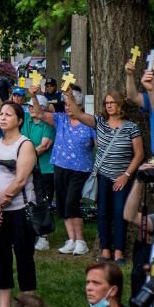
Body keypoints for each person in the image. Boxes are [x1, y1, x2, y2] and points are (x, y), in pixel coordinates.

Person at [68, 88, 143, 264]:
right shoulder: (100, 122)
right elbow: (78, 114)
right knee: (102, 214)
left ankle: (119, 252)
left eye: (113, 103)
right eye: (107, 103)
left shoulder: (131, 127)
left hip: (122, 179)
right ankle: (106, 250)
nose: (109, 106)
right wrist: (68, 95)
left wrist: (126, 175)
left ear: (120, 105)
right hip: (103, 177)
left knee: (119, 214)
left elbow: (139, 154)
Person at [0, 100, 39, 307]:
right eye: (1, 114)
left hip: (19, 209)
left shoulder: (25, 145)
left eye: (8, 114)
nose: (3, 117)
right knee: (1, 256)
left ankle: (27, 304)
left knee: (24, 255)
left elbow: (21, 179)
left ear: (19, 120)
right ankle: (3, 306)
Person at [42, 82, 95, 255]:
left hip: (80, 169)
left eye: (69, 104)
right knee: (64, 204)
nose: (66, 107)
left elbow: (99, 144)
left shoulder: (88, 121)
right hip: (60, 165)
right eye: (65, 104)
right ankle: (71, 240)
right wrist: (34, 97)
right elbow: (39, 114)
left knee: (72, 203)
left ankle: (81, 241)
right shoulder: (60, 119)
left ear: (79, 105)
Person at [11, 85, 55, 251]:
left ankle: (44, 237)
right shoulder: (26, 121)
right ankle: (30, 231)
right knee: (28, 200)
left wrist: (25, 154)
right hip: (29, 168)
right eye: (29, 106)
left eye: (33, 106)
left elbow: (43, 146)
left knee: (43, 202)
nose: (30, 109)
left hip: (45, 169)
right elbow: (20, 139)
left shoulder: (47, 125)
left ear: (42, 109)